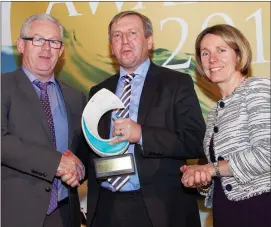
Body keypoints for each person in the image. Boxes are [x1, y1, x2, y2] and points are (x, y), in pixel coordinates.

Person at [85, 11, 206, 227]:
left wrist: (142, 135)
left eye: (132, 33)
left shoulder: (176, 83)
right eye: (117, 36)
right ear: (111, 47)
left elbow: (196, 140)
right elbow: (91, 146)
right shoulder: (98, 91)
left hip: (159, 209)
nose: (124, 41)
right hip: (106, 208)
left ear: (149, 41)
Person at [181, 24, 271, 227]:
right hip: (226, 212)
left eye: (221, 50)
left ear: (238, 55)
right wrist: (202, 180)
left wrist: (210, 169)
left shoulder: (258, 89)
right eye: (205, 53)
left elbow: (267, 153)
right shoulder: (215, 112)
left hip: (261, 209)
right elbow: (221, 173)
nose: (212, 59)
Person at [1, 14, 87, 227]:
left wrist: (79, 169)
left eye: (54, 42)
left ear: (61, 50)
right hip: (15, 213)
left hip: (65, 213)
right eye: (38, 40)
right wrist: (54, 163)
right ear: (21, 45)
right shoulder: (3, 86)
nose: (46, 48)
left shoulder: (76, 97)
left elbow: (82, 151)